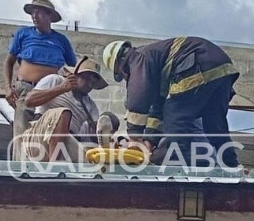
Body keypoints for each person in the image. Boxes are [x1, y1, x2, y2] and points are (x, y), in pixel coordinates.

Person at [102, 36, 240, 167]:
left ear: (120, 66)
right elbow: (157, 110)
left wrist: (134, 137)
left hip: (199, 62)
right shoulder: (154, 63)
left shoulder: (138, 58)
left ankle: (184, 164)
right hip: (222, 68)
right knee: (214, 123)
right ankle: (231, 165)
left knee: (175, 115)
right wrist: (149, 141)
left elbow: (138, 97)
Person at [4, 0, 77, 159]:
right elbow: (8, 62)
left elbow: (73, 67)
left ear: (50, 16)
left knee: (50, 128)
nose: (35, 16)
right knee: (22, 130)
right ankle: (20, 167)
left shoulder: (61, 40)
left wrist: (68, 85)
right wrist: (8, 87)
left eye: (40, 13)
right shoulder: (23, 34)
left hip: (51, 92)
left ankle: (49, 165)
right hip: (26, 89)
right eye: (33, 13)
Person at [21, 56, 119, 162]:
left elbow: (96, 132)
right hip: (40, 139)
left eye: (93, 82)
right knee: (63, 113)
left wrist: (107, 132)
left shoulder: (90, 105)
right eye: (87, 79)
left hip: (68, 142)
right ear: (76, 75)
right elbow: (29, 101)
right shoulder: (55, 80)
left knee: (106, 123)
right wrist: (62, 88)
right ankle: (55, 165)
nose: (90, 85)